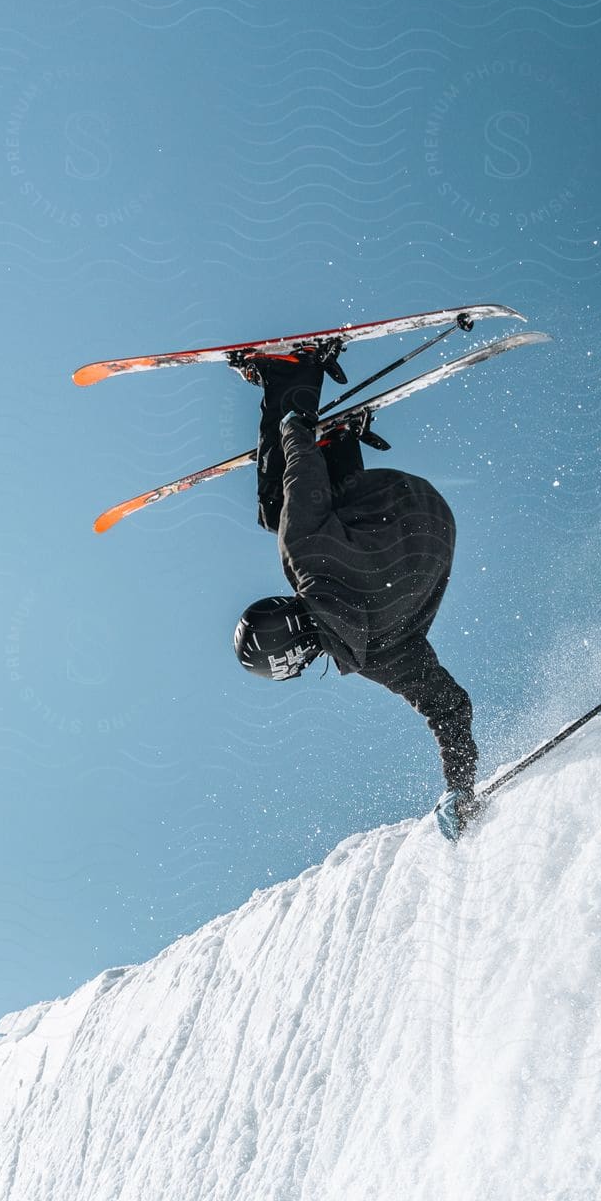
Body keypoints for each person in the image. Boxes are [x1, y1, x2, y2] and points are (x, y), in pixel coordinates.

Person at [230, 344, 482, 840]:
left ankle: (340, 442)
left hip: (436, 525)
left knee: (331, 520)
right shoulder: (302, 554)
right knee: (274, 506)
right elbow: (301, 480)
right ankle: (291, 373)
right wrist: (294, 418)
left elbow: (450, 708)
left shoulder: (373, 657)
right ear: (277, 610)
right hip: (400, 497)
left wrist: (462, 785)